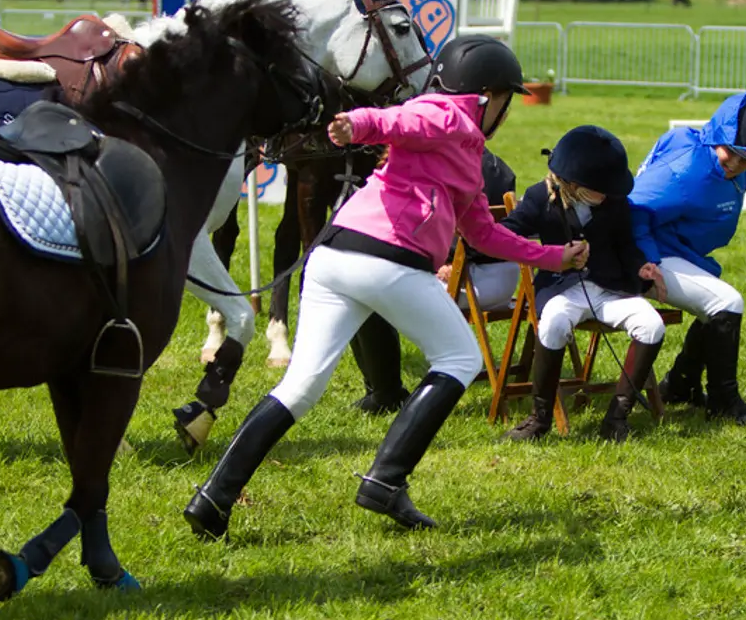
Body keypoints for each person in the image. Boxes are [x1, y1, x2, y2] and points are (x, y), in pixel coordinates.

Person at [183, 34, 589, 538]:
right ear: (486, 96)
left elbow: (484, 234)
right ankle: (385, 482)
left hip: (332, 258)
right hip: (386, 260)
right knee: (461, 358)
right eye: (506, 101)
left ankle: (212, 499)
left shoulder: (464, 152)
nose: (506, 114)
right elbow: (404, 119)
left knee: (300, 387)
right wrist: (359, 125)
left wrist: (556, 256)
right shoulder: (449, 115)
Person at [500, 126, 668, 443]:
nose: (606, 195)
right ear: (573, 183)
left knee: (652, 325)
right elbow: (506, 234)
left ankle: (617, 418)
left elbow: (626, 247)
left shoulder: (615, 203)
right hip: (562, 290)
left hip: (609, 289)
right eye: (599, 189)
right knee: (552, 324)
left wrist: (641, 268)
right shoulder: (539, 197)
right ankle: (540, 418)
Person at [629, 79, 746, 426]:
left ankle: (679, 385)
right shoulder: (684, 170)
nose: (736, 165)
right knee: (726, 302)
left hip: (677, 251)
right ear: (720, 135)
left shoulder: (728, 161)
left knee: (714, 300)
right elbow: (632, 210)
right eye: (733, 154)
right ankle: (725, 402)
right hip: (646, 255)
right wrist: (647, 261)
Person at [438, 149, 521, 313]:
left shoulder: (453, 166)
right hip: (507, 282)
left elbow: (472, 235)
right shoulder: (501, 166)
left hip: (468, 283)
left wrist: (447, 262)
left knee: (396, 286)